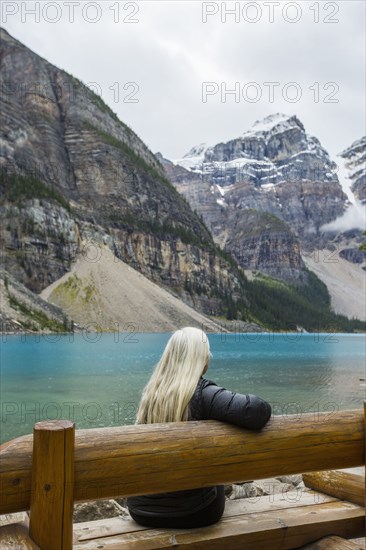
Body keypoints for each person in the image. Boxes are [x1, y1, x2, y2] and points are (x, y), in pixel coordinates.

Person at [126, 326, 272, 529]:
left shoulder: (151, 394)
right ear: (201, 358)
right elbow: (256, 411)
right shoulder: (203, 393)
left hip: (141, 511)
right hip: (193, 512)